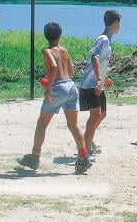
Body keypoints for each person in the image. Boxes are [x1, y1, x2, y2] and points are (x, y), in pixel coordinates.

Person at [18, 22, 92, 173]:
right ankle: (84, 157)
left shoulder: (46, 51)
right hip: (70, 87)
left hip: (58, 88)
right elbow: (70, 72)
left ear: (45, 35)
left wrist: (48, 86)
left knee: (42, 123)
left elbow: (53, 67)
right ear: (60, 35)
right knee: (73, 125)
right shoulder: (64, 50)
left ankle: (35, 157)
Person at [80, 9, 121, 156]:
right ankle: (86, 147)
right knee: (95, 116)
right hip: (91, 84)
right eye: (119, 23)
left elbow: (100, 61)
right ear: (115, 23)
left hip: (98, 83)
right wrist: (98, 79)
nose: (119, 27)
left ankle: (87, 141)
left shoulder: (107, 40)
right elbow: (94, 57)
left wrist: (105, 77)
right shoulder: (103, 39)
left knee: (102, 114)